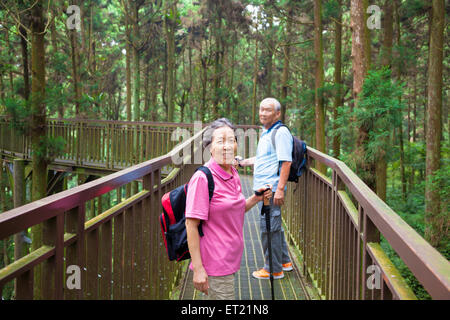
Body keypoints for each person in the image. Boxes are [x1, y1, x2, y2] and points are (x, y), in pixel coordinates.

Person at [185, 118, 272, 300]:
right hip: (215, 264)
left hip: (231, 259)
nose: (226, 146)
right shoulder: (202, 178)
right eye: (220, 141)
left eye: (231, 140)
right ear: (209, 147)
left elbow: (237, 208)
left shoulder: (232, 173)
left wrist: (256, 197)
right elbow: (191, 225)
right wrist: (198, 269)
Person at [235, 98, 293, 280]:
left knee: (268, 229)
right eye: (261, 109)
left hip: (271, 190)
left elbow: (286, 162)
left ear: (277, 114)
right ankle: (284, 262)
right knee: (275, 226)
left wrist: (280, 189)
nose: (262, 113)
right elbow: (264, 158)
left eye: (268, 110)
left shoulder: (280, 133)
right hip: (264, 188)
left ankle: (273, 270)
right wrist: (243, 162)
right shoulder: (267, 132)